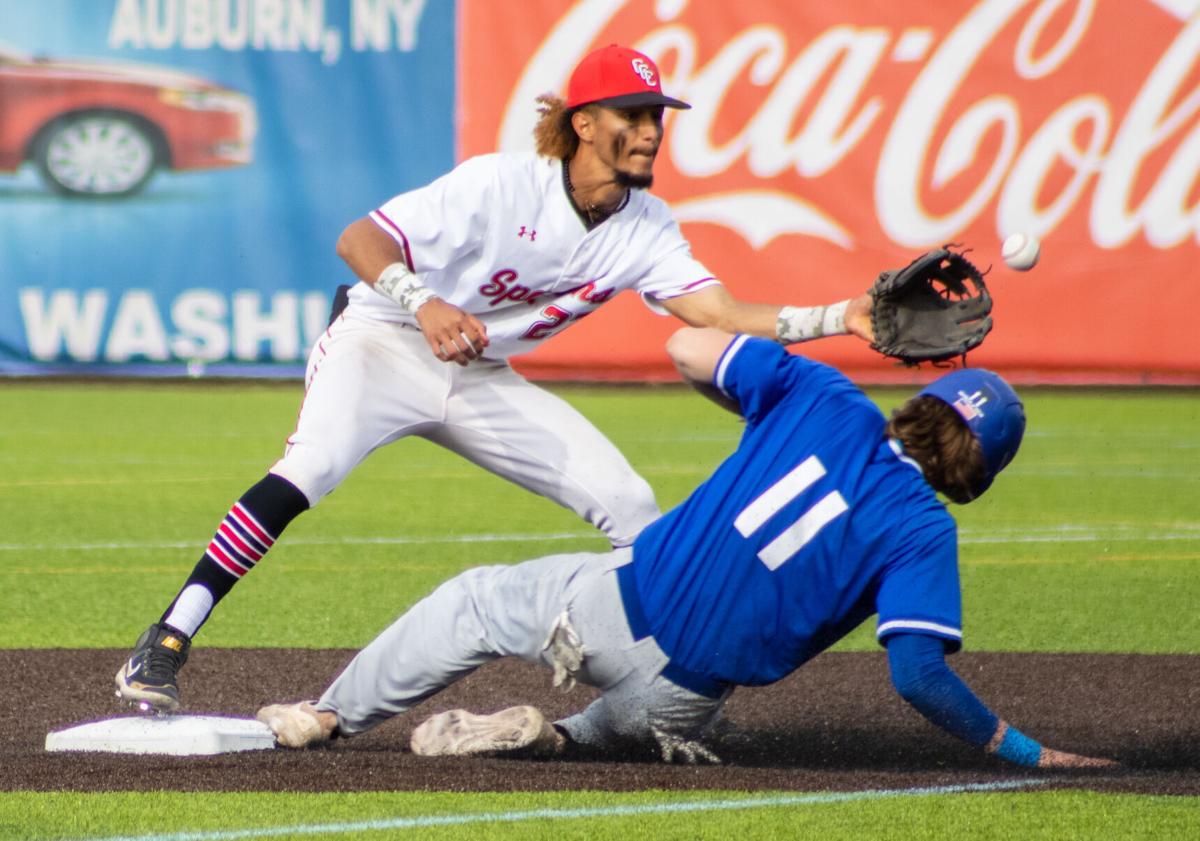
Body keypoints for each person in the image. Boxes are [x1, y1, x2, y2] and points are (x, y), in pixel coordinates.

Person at [115, 43, 880, 712]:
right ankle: (168, 636)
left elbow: (718, 309)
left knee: (631, 503)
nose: (651, 130)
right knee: (307, 468)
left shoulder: (647, 224)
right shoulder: (501, 184)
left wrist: (839, 315)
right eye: (633, 113)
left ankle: (656, 683)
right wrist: (424, 302)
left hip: (479, 375)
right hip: (381, 342)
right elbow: (359, 239)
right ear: (583, 122)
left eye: (658, 115)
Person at [255, 327, 1114, 770]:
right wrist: (1024, 748)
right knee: (620, 731)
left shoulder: (825, 396)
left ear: (923, 398)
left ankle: (329, 714)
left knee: (476, 601)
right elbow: (917, 673)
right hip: (684, 697)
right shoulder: (925, 528)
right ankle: (562, 738)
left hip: (611, 609)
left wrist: (760, 389)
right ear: (981, 468)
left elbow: (683, 347)